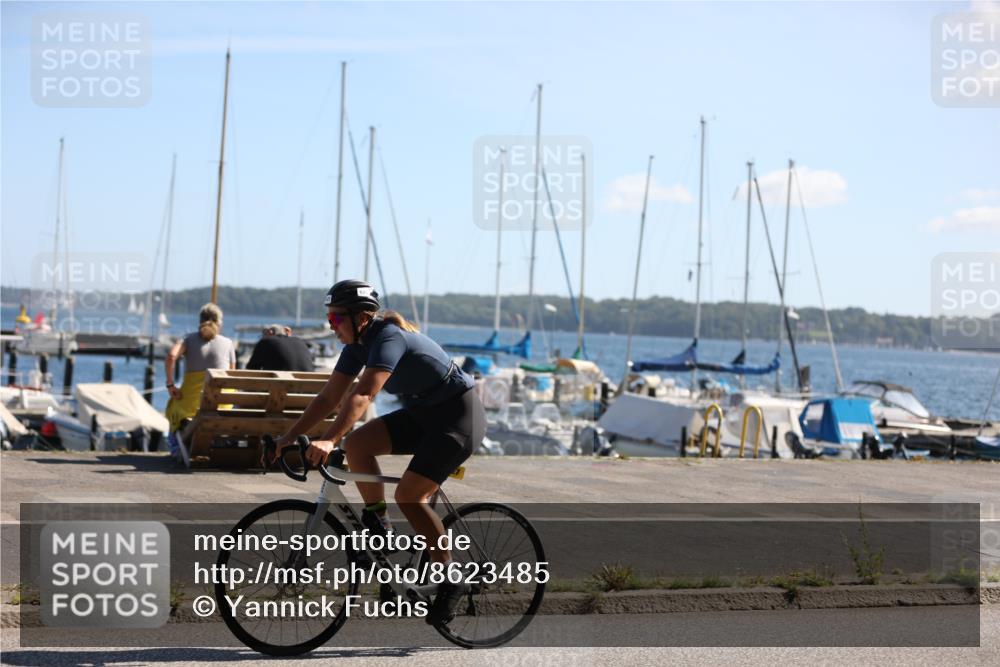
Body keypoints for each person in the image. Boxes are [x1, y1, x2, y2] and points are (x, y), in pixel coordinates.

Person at [272, 279, 485, 624]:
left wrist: (328, 440)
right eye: (329, 319)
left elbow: (363, 395)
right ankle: (380, 523)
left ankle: (451, 578)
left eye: (336, 320)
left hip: (459, 417)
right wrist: (288, 436)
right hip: (424, 414)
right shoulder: (356, 346)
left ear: (361, 318)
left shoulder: (388, 337)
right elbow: (328, 398)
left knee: (410, 495)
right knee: (357, 444)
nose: (331, 327)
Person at [164, 303, 236, 461]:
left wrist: (170, 385)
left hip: (191, 407)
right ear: (219, 322)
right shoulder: (228, 343)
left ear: (200, 320)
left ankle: (177, 449)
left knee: (172, 407)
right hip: (221, 406)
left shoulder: (188, 339)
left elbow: (171, 357)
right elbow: (232, 375)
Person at [245, 324, 314, 371]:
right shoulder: (300, 341)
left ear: (270, 332)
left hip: (282, 388)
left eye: (264, 334)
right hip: (308, 389)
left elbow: (251, 368)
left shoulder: (266, 341)